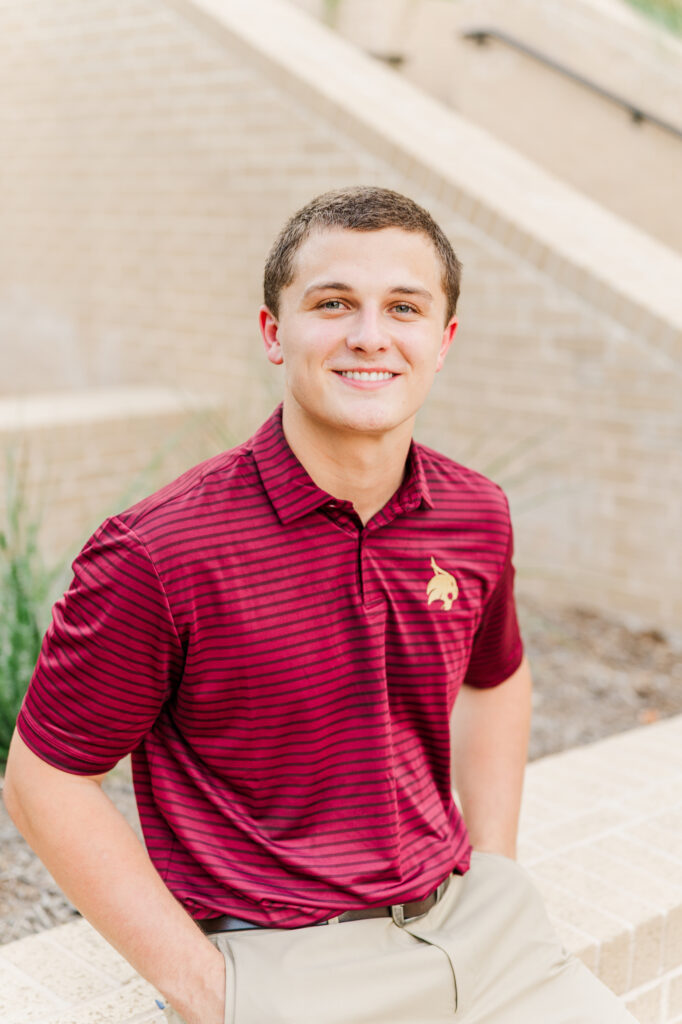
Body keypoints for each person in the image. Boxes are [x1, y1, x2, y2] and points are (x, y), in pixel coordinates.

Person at [4, 187, 635, 1024]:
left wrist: (498, 866)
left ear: (443, 342)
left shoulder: (477, 512)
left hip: (485, 933)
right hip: (288, 964)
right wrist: (212, 992)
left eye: (403, 307)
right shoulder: (161, 552)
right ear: (274, 331)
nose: (370, 335)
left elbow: (496, 678)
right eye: (333, 303)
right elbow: (46, 779)